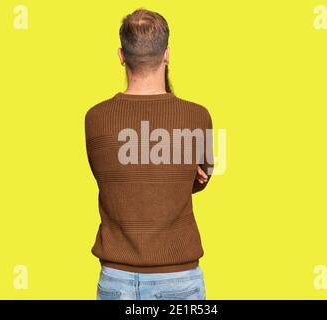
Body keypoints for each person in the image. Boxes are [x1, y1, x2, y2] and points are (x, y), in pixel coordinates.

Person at [84, 8, 214, 300]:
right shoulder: (198, 116)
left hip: (115, 279)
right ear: (166, 54)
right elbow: (204, 178)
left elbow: (111, 177)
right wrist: (181, 169)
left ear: (121, 55)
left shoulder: (94, 118)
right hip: (180, 278)